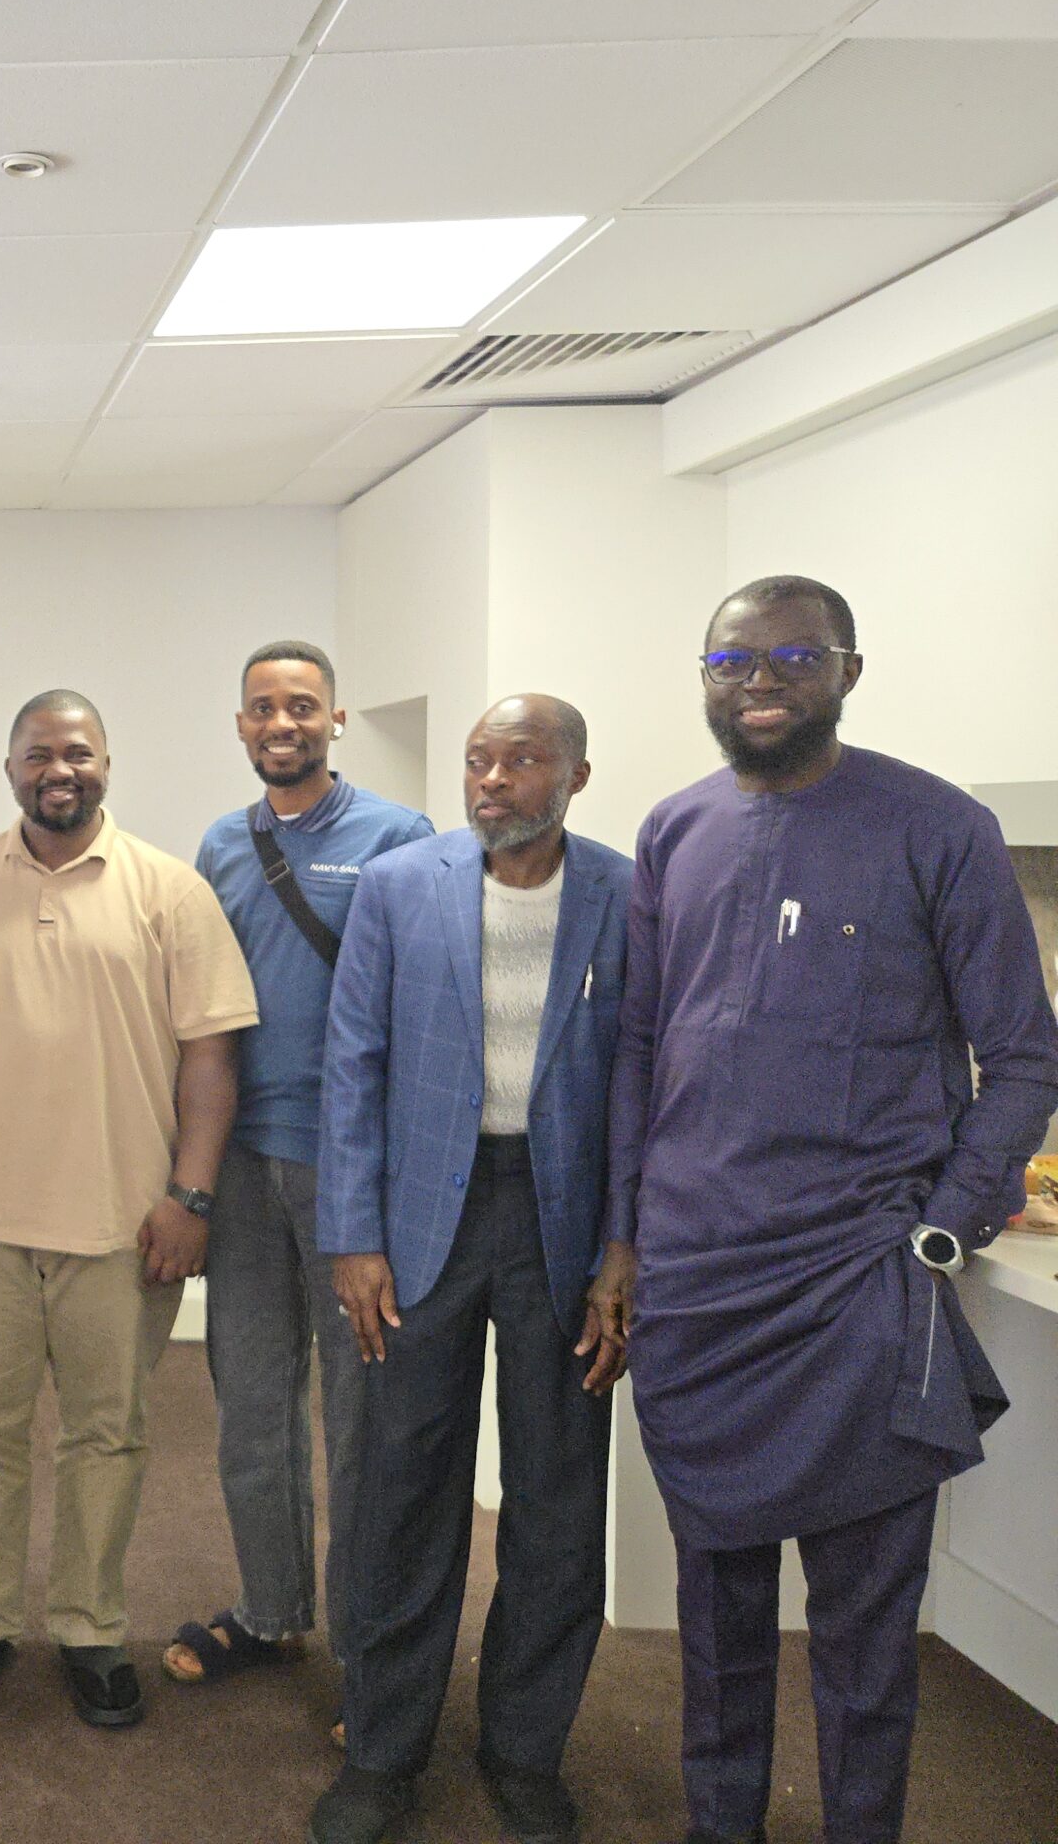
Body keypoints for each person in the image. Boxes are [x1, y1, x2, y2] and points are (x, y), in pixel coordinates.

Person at [610, 577, 1058, 1844]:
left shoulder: (939, 826)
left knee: (864, 1635)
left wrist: (949, 1219)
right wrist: (623, 1239)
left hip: (860, 1282)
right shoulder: (673, 829)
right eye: (731, 661)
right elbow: (636, 1048)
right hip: (698, 1287)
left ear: (848, 671)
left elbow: (1023, 1054)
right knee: (716, 1622)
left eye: (793, 657)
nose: (759, 681)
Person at [310, 695, 634, 1844]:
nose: (491, 779)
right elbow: (352, 1060)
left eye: (521, 760)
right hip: (417, 1226)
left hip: (562, 1226)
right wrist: (352, 1235)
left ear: (575, 776)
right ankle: (382, 1752)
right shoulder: (402, 886)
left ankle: (523, 1751)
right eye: (477, 760)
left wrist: (624, 1247)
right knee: (402, 1491)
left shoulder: (628, 894)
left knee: (556, 1501)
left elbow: (645, 1084)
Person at [0, 691, 254, 1730]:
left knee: (108, 1435)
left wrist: (190, 1194)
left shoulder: (170, 890)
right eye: (37, 754)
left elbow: (211, 1056)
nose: (57, 770)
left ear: (107, 762)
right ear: (7, 768)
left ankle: (89, 1625)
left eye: (76, 752)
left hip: (122, 1223)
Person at [167, 642, 432, 1712]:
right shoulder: (221, 845)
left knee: (361, 1419)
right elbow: (199, 1015)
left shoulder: (399, 838)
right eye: (263, 707)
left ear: (336, 719)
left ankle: (370, 1649)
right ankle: (270, 1610)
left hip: (348, 1173)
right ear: (240, 724)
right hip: (240, 1166)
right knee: (250, 1403)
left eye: (303, 706)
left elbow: (422, 1007)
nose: (282, 723)